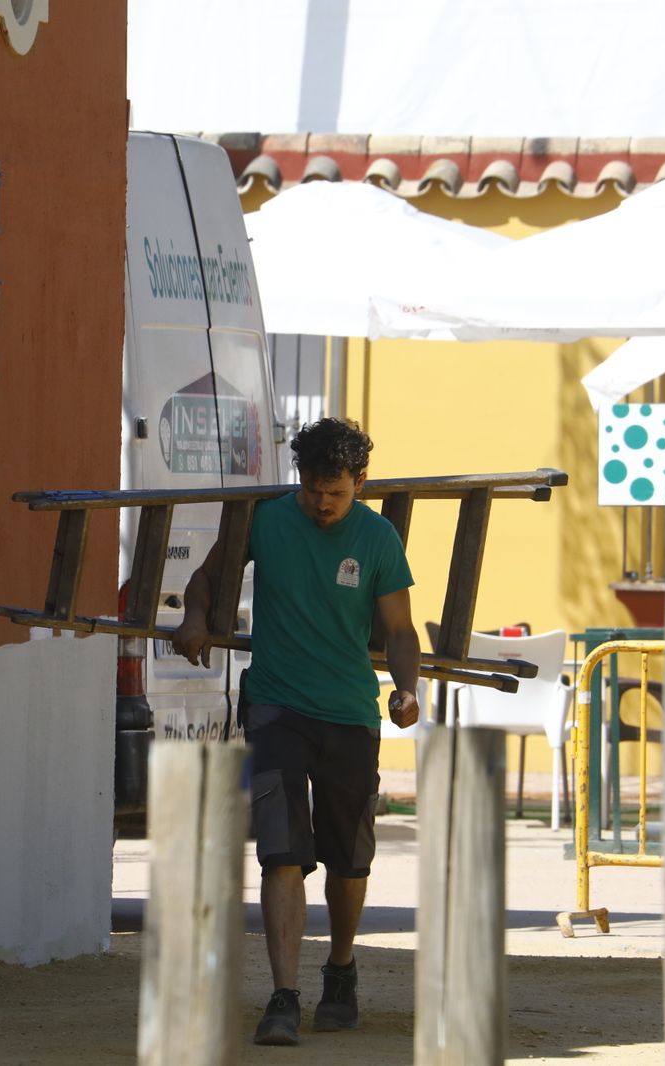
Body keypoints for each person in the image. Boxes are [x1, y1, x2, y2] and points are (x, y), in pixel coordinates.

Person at [172, 417, 420, 1047]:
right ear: (299, 479)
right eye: (312, 488)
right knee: (281, 853)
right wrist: (196, 618)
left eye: (335, 491)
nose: (322, 502)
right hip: (276, 708)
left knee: (348, 859)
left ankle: (340, 969)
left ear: (359, 483)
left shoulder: (380, 539)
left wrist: (408, 688)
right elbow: (205, 578)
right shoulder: (266, 519)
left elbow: (400, 630)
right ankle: (282, 996)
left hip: (351, 714)